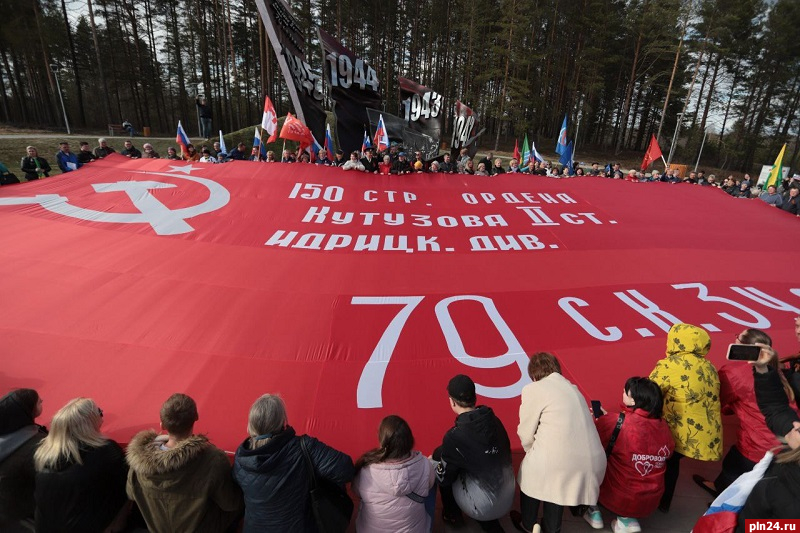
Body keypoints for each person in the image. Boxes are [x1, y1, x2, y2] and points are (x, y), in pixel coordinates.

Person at [511, 353, 606, 533]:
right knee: (556, 480)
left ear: (534, 375)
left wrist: (532, 452)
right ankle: (552, 527)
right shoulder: (573, 388)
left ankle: (528, 523)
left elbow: (525, 433)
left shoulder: (534, 389)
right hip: (594, 462)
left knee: (535, 470)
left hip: (560, 465)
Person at [694, 329, 794, 497]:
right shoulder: (776, 367)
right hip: (787, 442)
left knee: (734, 467)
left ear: (743, 346)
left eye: (738, 338)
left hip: (759, 445)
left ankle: (725, 502)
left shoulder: (734, 373)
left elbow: (719, 401)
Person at [233, 394, 354, 531]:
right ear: (282, 420)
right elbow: (346, 470)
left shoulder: (241, 456)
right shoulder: (304, 447)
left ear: (251, 423)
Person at [126, 393, 243, 532]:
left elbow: (130, 493)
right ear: (196, 418)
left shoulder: (138, 461)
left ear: (161, 423)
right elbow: (230, 504)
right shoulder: (213, 460)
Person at [649, 323, 722, 513]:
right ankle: (663, 503)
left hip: (677, 431)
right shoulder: (710, 367)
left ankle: (658, 501)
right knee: (673, 461)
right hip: (705, 433)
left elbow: (649, 394)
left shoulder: (669, 365)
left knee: (666, 463)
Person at [591, 377, 674, 533]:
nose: (622, 392)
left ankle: (589, 507)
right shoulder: (663, 426)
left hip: (619, 496)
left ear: (634, 401)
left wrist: (603, 420)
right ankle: (626, 519)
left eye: (625, 392)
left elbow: (595, 440)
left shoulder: (616, 422)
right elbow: (667, 452)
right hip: (652, 498)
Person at [433, 375, 514, 532]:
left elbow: (444, 478)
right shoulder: (495, 421)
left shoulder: (455, 436)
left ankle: (452, 514)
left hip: (484, 505)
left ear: (452, 401)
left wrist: (431, 464)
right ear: (475, 397)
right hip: (508, 497)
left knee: (441, 457)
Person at [34, 398, 129, 533]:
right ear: (90, 421)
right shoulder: (105, 450)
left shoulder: (43, 458)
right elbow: (129, 485)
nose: (101, 415)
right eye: (99, 412)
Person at [353, 415, 435, 532]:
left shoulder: (366, 470)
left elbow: (356, 491)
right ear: (410, 440)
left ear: (382, 441)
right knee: (429, 487)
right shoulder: (425, 464)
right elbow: (430, 484)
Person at [0, 389, 47, 529]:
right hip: (25, 520)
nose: (42, 401)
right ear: (26, 411)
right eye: (38, 402)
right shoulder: (36, 448)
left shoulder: (8, 439)